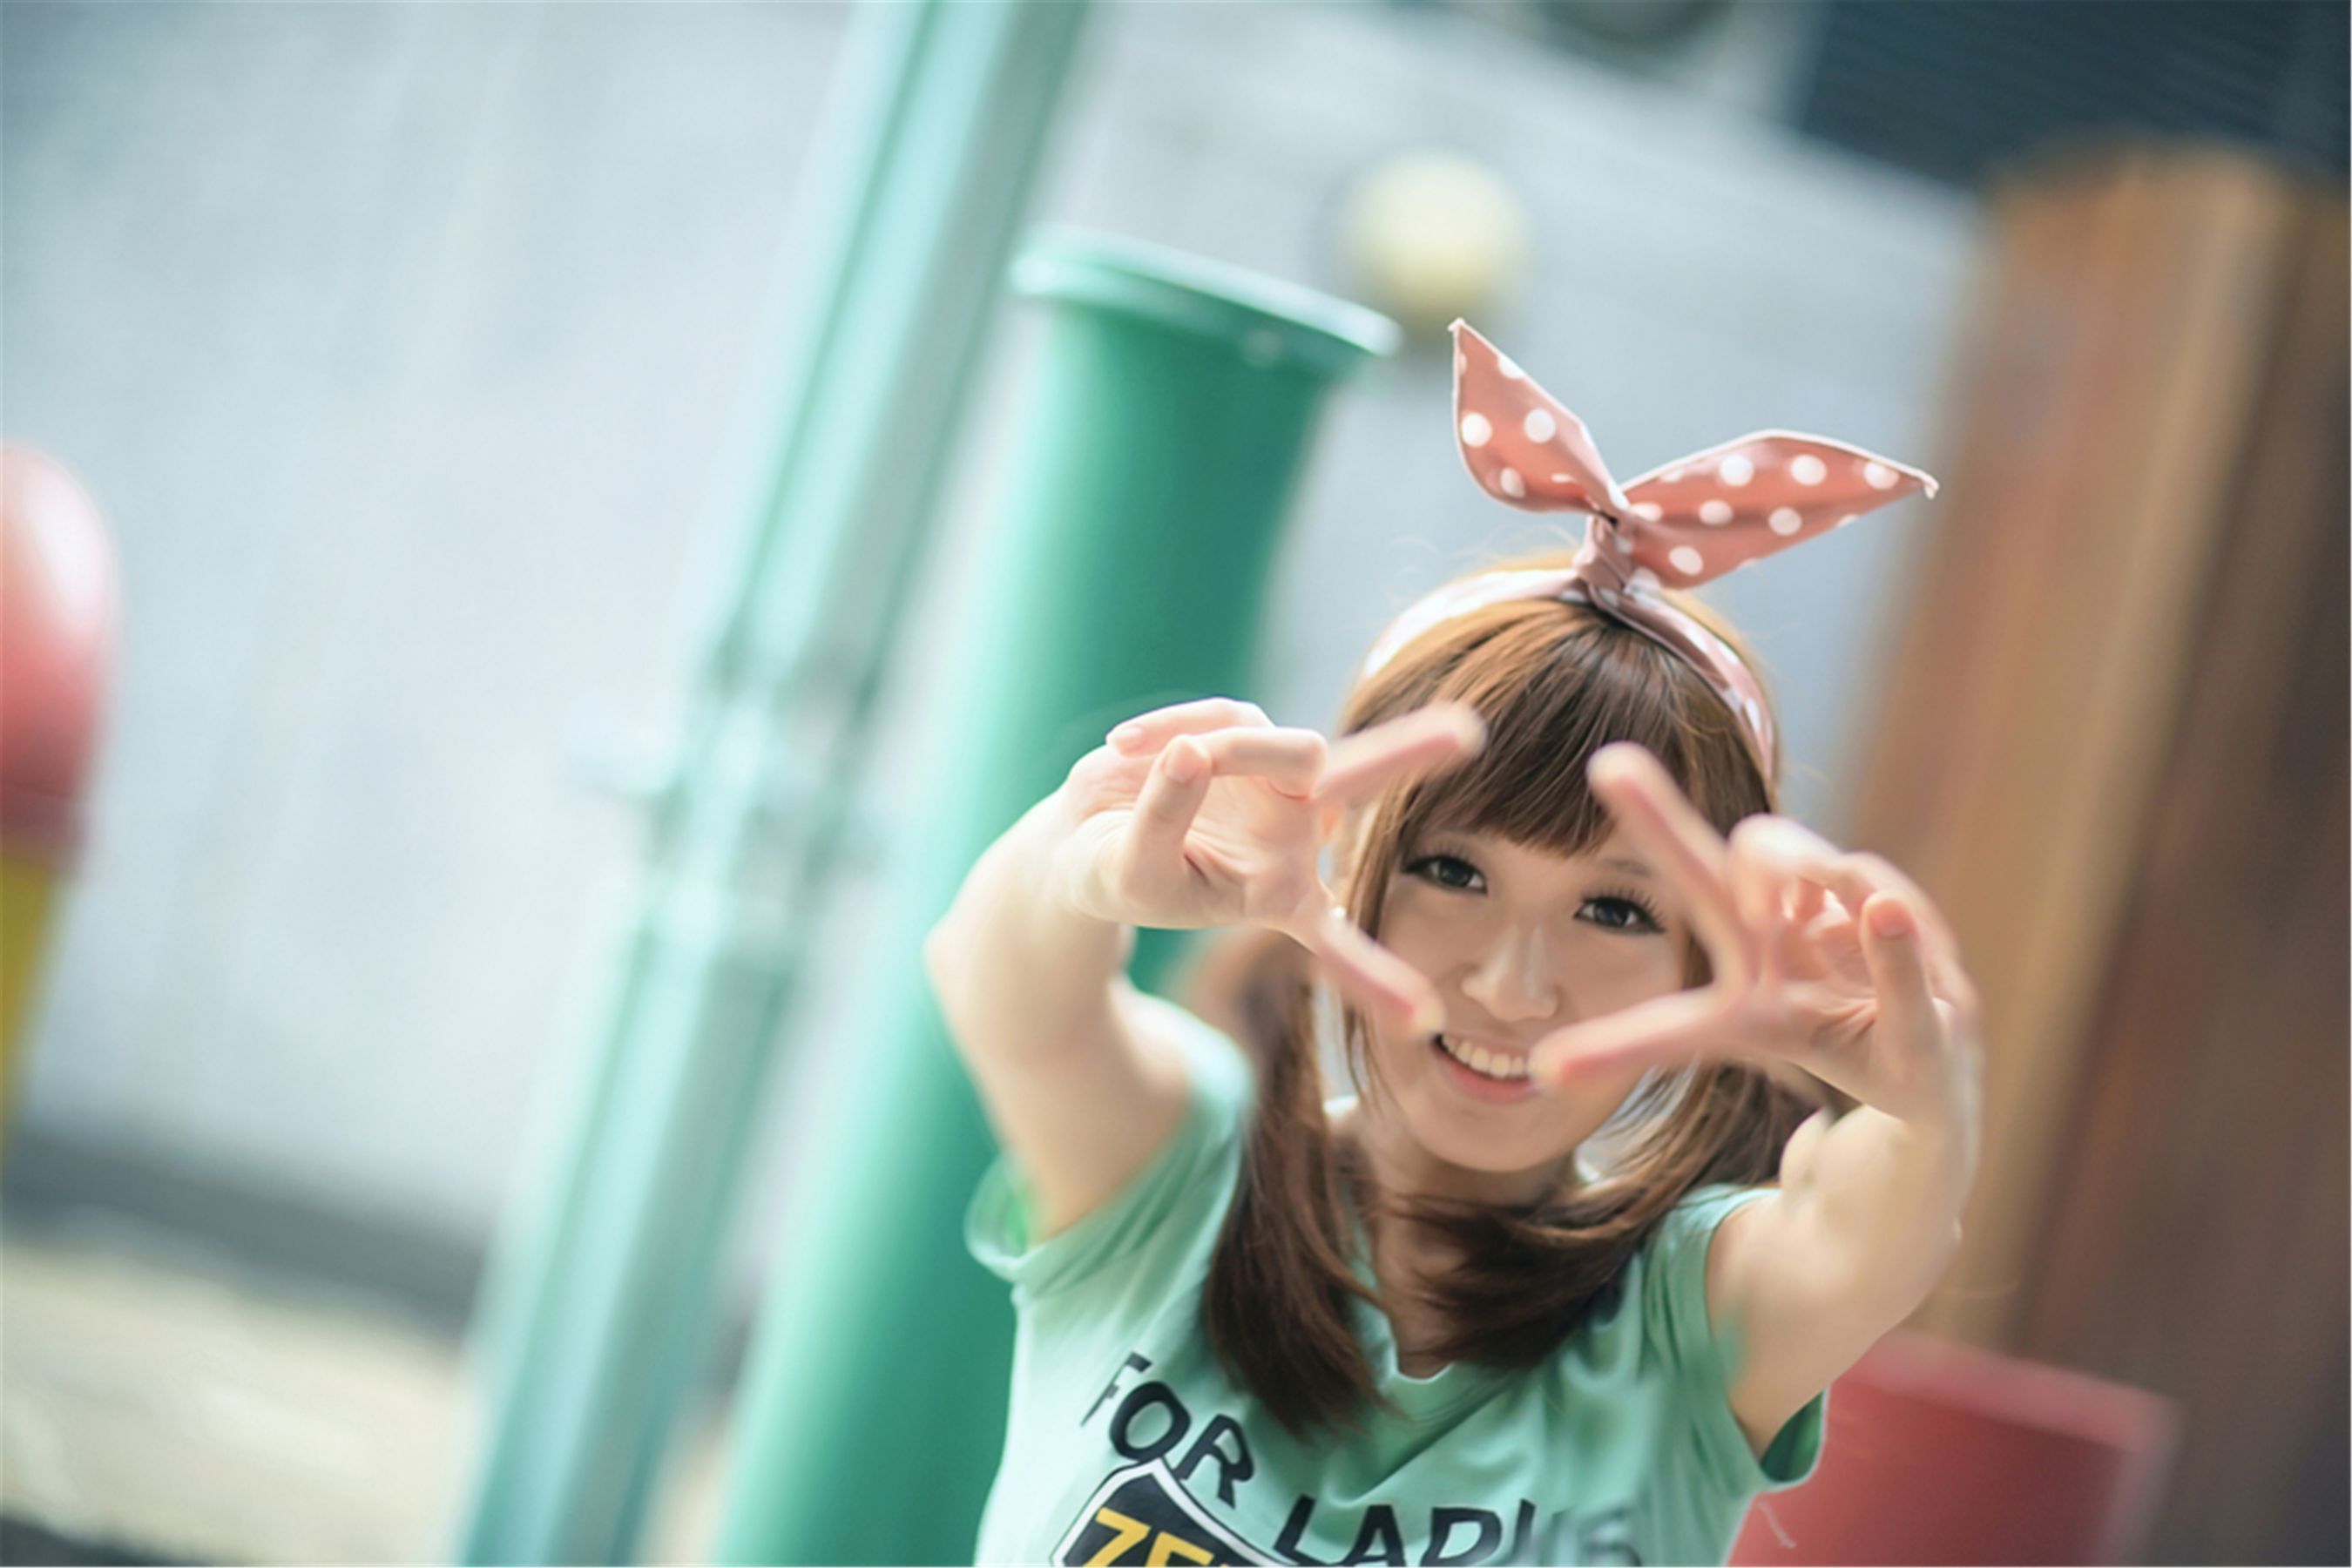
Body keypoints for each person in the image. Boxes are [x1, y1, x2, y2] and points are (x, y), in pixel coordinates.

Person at [923, 322, 1984, 1567]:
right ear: (1346, 861)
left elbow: (1886, 1224)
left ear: (1702, 956)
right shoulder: (1187, 1181)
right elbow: (1003, 993)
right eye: (1451, 871)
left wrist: (1924, 1097)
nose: (1513, 986)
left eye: (1617, 910)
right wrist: (1084, 860)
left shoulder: (1681, 1331)